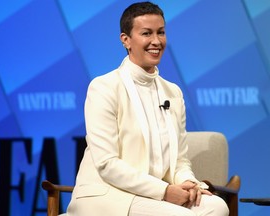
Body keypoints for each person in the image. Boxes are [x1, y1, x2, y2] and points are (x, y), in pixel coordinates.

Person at [66, 2, 229, 216]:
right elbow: (107, 164)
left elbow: (180, 160)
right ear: (126, 40)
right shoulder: (104, 87)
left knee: (217, 207)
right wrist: (164, 191)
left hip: (154, 196)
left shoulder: (173, 92)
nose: (156, 41)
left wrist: (188, 182)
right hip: (109, 196)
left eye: (161, 32)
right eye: (146, 33)